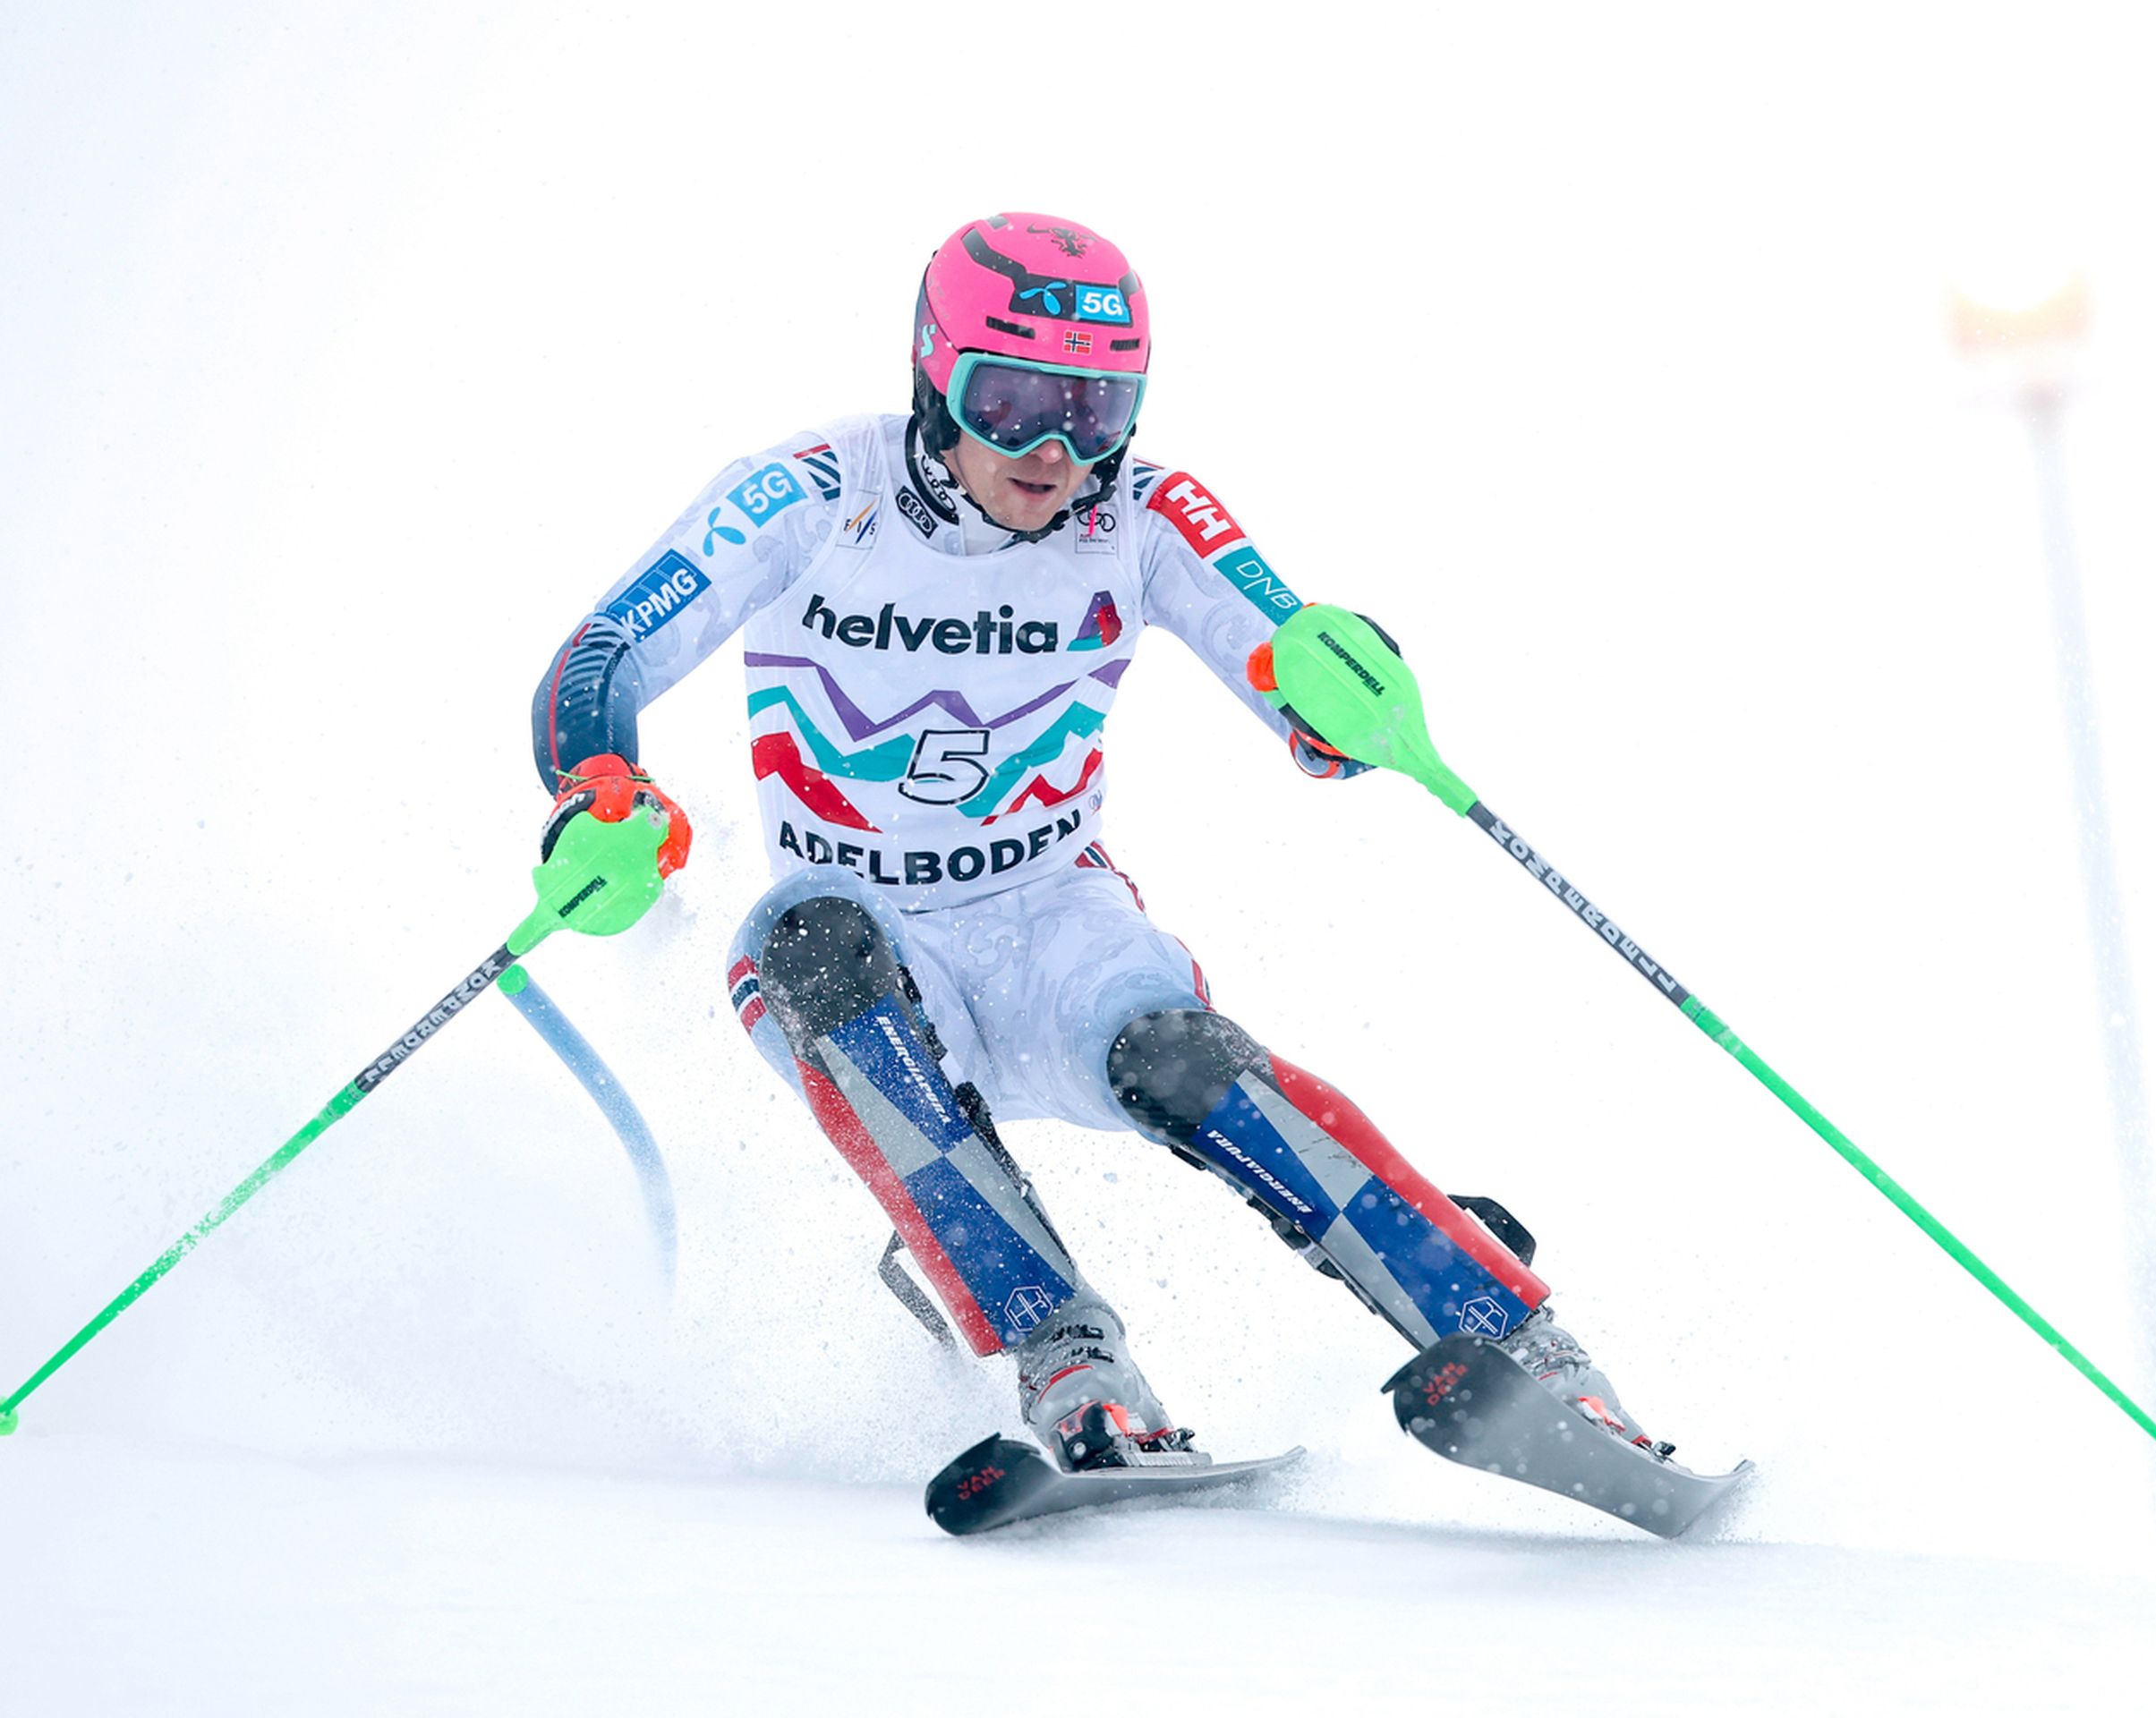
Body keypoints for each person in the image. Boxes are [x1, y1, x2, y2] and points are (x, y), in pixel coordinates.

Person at [532, 212, 1666, 1473]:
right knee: (804, 942)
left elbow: (1285, 660)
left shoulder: (1141, 511)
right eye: (1009, 399)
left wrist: (1340, 693)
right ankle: (1073, 1364)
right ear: (933, 373)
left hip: (1049, 921)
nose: (1056, 447)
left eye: (1096, 404)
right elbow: (606, 651)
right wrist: (601, 783)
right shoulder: (813, 492)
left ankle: (1532, 1352)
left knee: (1177, 1061)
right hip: (859, 938)